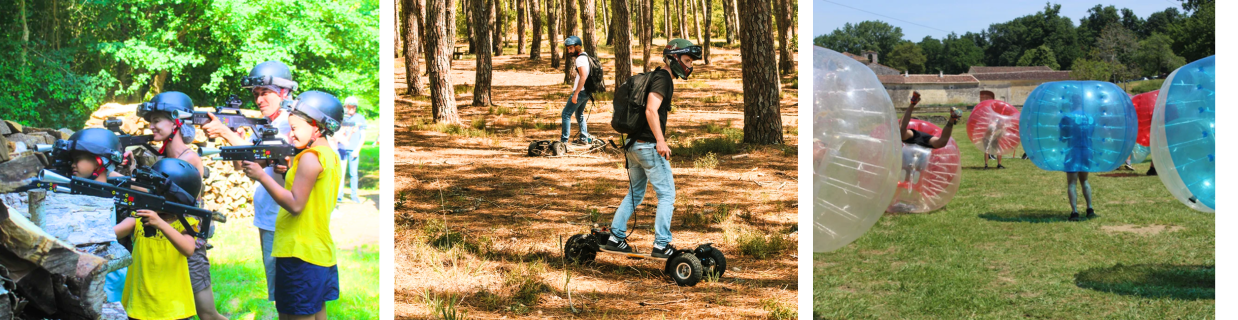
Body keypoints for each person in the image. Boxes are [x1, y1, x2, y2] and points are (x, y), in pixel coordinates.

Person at [200, 60, 296, 305]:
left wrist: (226, 132)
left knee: (291, 295)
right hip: (269, 215)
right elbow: (244, 166)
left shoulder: (290, 124)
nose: (259, 100)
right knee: (280, 295)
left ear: (284, 92)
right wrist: (237, 139)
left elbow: (264, 158)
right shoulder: (270, 124)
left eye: (265, 93)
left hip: (283, 217)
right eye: (256, 94)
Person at [240, 91, 343, 319]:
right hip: (318, 249)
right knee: (317, 312)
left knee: (292, 314)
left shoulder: (309, 157)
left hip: (299, 252)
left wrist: (262, 176)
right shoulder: (329, 155)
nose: (290, 135)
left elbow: (296, 205)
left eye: (295, 129)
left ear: (316, 127)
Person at [603, 39, 701, 258]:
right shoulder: (664, 78)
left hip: (634, 146)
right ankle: (661, 244)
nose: (690, 66)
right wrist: (660, 140)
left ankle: (615, 238)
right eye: (686, 60)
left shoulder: (654, 76)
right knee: (667, 195)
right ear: (673, 59)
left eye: (691, 62)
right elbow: (650, 110)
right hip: (647, 146)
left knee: (635, 193)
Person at [135, 91, 227, 320]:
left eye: (157, 120)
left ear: (176, 122)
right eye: (150, 121)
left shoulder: (188, 160)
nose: (152, 126)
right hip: (167, 242)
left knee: (207, 314)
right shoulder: (164, 157)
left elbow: (165, 199)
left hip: (187, 238)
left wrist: (119, 178)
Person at [114, 158, 204, 320]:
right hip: (140, 304)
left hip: (172, 307)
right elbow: (113, 233)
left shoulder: (186, 223)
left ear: (178, 198)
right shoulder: (140, 218)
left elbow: (188, 249)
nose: (151, 194)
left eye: (158, 192)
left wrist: (160, 224)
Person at [1060, 95, 1096, 221]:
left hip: (1073, 152)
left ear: (1071, 103)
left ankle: (1075, 212)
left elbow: (1063, 137)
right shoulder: (1090, 117)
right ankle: (1090, 209)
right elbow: (1091, 134)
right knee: (1085, 181)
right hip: (1087, 151)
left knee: (1072, 183)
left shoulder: (1067, 117)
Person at [560, 35, 595, 145]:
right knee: (579, 114)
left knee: (566, 114)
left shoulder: (580, 59)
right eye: (568, 49)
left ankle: (564, 142)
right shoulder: (585, 56)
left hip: (581, 92)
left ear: (577, 47)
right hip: (586, 91)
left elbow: (583, 76)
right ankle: (583, 138)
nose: (569, 51)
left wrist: (576, 94)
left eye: (571, 48)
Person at [336, 96, 367, 203]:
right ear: (345, 106)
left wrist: (357, 149)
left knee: (353, 173)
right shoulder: (341, 118)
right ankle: (339, 195)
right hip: (341, 148)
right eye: (350, 106)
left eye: (354, 107)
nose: (352, 109)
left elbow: (363, 135)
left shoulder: (360, 118)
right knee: (340, 172)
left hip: (353, 149)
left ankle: (354, 195)